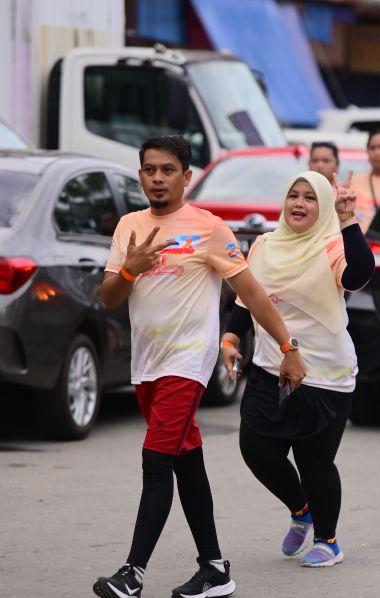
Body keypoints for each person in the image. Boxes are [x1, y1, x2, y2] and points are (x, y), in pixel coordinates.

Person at [92, 135, 306, 598]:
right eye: (150, 169)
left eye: (168, 170)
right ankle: (215, 569)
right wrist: (130, 268)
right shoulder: (130, 226)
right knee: (186, 463)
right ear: (140, 175)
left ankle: (132, 574)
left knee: (155, 461)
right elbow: (108, 297)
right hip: (147, 365)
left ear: (186, 177)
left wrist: (288, 346)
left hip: (188, 363)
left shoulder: (210, 228)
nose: (158, 178)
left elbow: (252, 294)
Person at [221, 170, 375, 568]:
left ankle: (328, 540)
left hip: (324, 374)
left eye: (310, 197)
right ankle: (300, 509)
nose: (300, 203)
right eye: (294, 195)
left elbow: (359, 274)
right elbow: (249, 298)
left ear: (323, 208)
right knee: (256, 449)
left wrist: (347, 219)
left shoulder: (332, 245)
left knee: (314, 462)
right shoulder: (264, 245)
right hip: (270, 366)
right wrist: (231, 337)